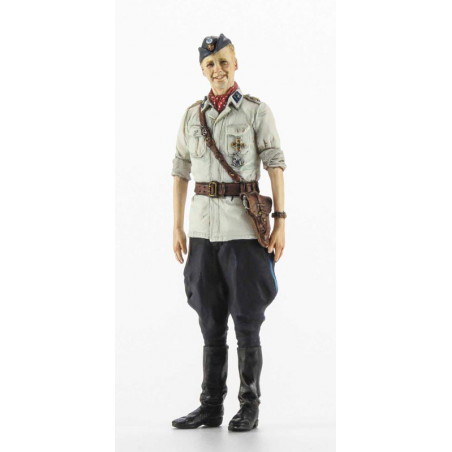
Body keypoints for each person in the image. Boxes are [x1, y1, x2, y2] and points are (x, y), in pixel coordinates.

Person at [170, 33, 287, 432]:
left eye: (223, 61)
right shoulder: (192, 116)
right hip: (203, 231)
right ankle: (210, 406)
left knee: (247, 318)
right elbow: (180, 170)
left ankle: (249, 405)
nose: (217, 70)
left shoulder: (255, 111)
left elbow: (274, 163)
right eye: (209, 64)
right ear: (202, 70)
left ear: (235, 64)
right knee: (210, 318)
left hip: (243, 232)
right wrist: (177, 225)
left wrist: (281, 221)